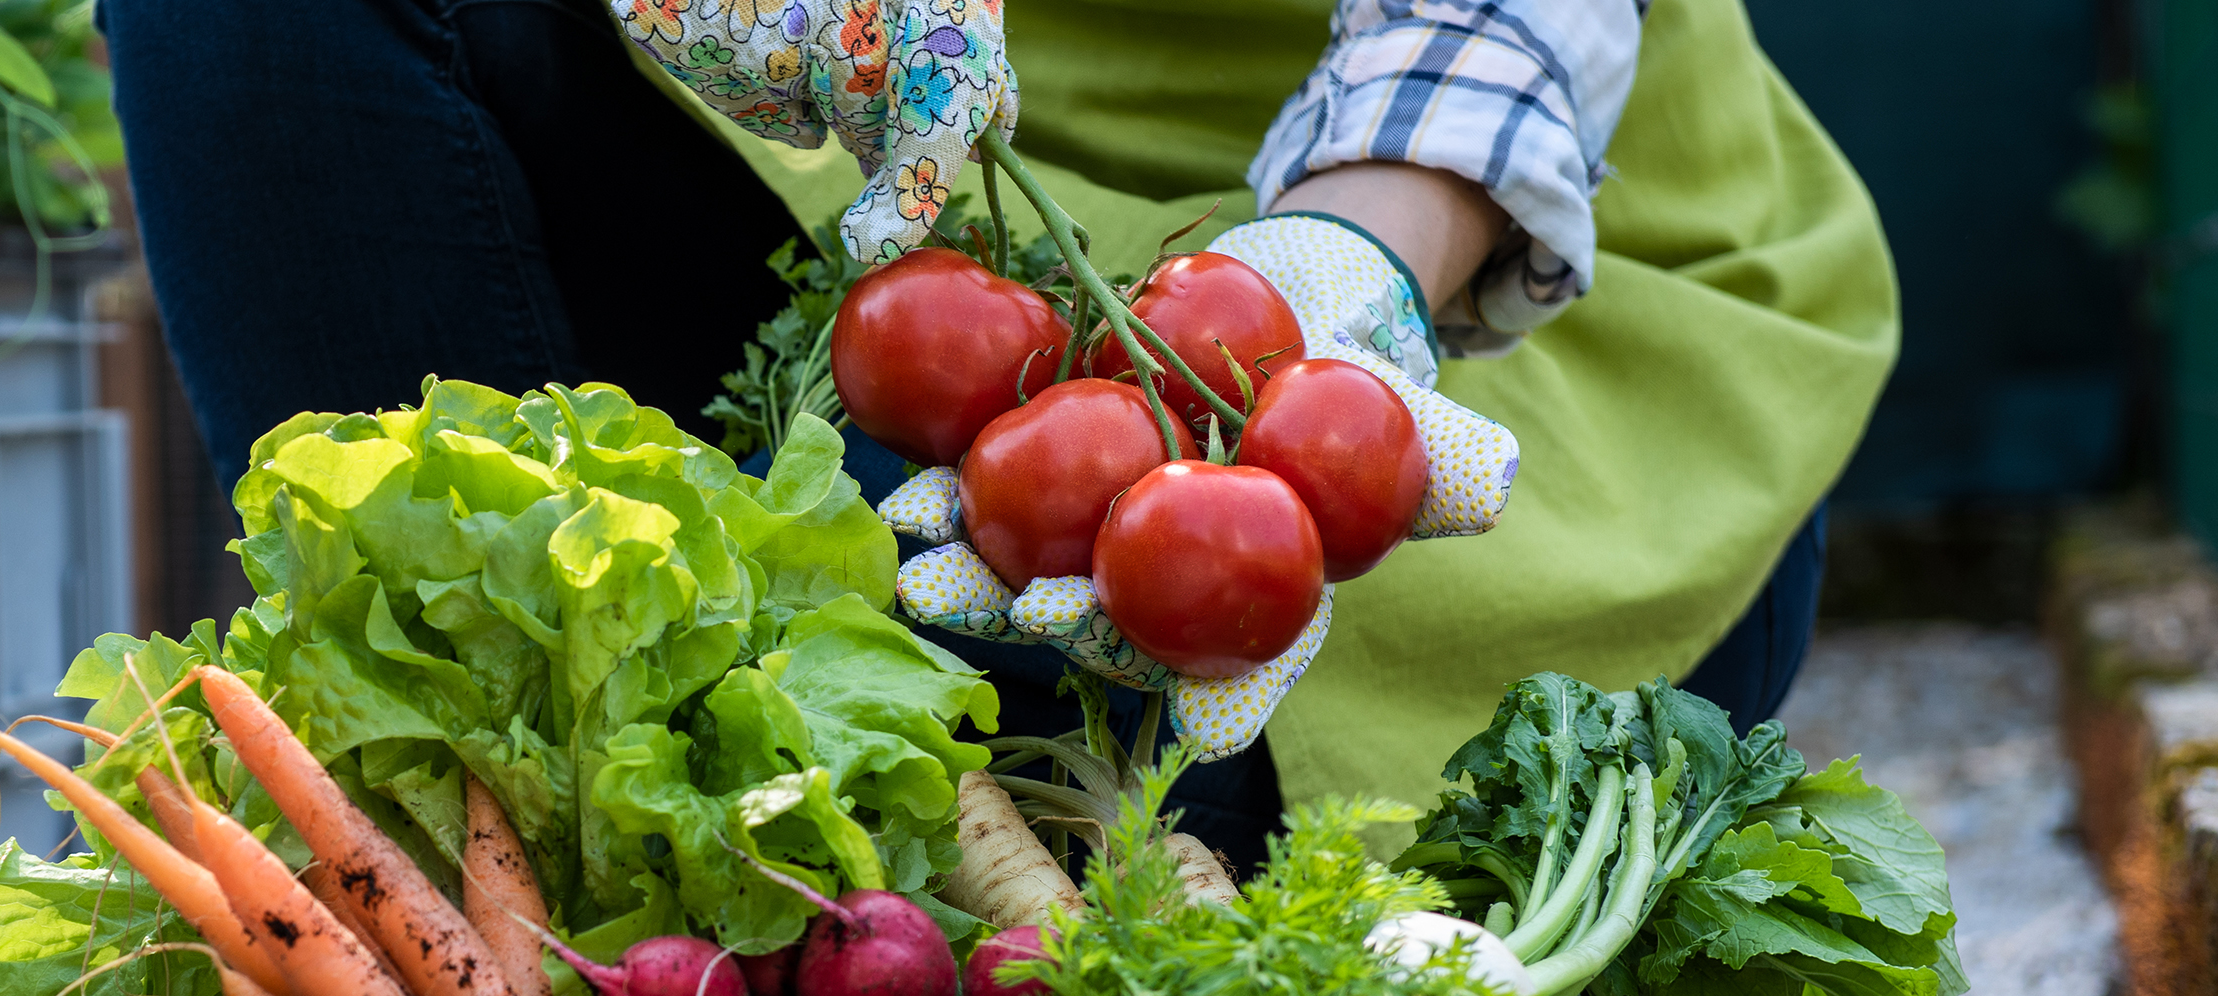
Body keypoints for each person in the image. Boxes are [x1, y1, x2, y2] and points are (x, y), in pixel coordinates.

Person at [99, 0, 1881, 862]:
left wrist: (1350, 272)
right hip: (891, 212)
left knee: (984, 674)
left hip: (1482, 257)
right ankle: (479, 898)